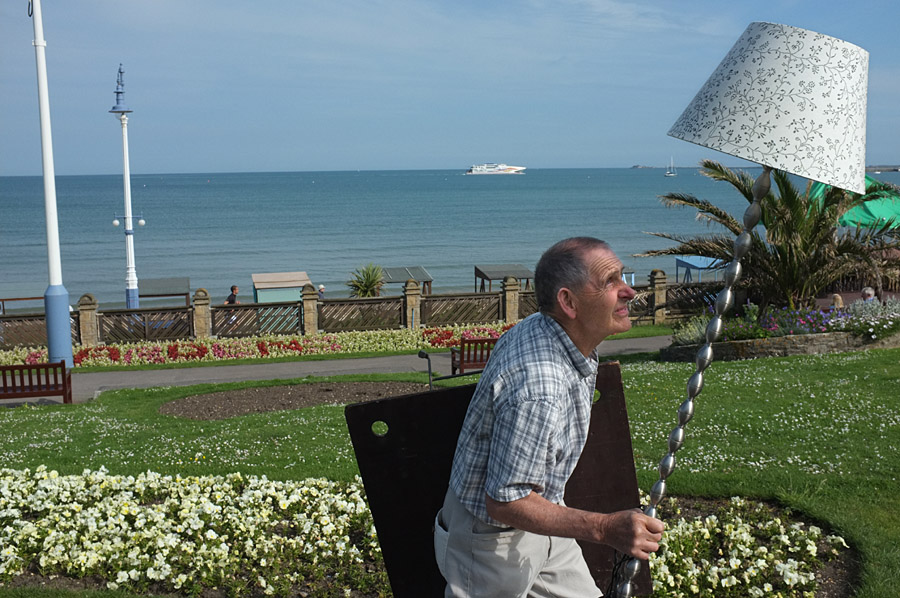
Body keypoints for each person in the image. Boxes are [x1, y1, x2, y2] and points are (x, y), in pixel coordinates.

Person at [434, 237, 664, 598]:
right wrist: (605, 529)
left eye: (623, 276)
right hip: (491, 540)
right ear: (568, 302)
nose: (629, 291)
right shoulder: (539, 385)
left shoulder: (547, 329)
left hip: (543, 515)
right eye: (610, 282)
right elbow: (505, 500)